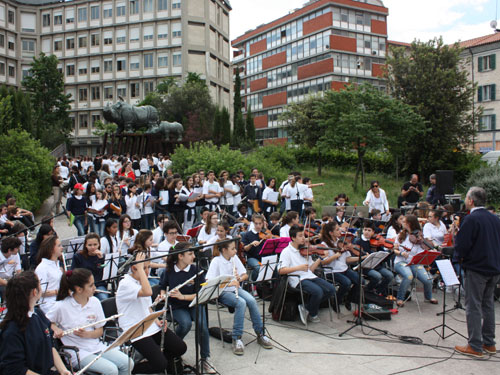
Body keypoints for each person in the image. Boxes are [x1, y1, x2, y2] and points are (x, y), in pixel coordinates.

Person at [48, 268, 131, 374]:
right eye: (91, 285)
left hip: (96, 346)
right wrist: (55, 328)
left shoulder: (95, 302)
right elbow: (46, 322)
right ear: (79, 289)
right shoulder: (61, 306)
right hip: (78, 352)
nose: (95, 288)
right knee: (111, 370)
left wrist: (87, 334)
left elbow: (100, 331)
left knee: (128, 363)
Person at [116, 251, 187, 374]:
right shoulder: (125, 283)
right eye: (144, 268)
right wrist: (140, 268)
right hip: (134, 328)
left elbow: (147, 307)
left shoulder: (141, 280)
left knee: (180, 347)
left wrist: (157, 320)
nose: (147, 271)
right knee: (160, 364)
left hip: (148, 323)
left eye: (148, 267)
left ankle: (166, 364)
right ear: (134, 268)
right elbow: (148, 292)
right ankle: (131, 370)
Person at [454, 187, 500, 358]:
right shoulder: (495, 218)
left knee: (473, 306)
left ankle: (474, 345)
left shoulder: (471, 219)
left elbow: (463, 245)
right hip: (493, 267)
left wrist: (459, 258)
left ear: (471, 200)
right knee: (488, 305)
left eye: (466, 197)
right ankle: (489, 343)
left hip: (477, 268)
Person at [206, 239, 272, 355]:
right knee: (241, 303)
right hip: (222, 292)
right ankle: (236, 337)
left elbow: (245, 274)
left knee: (251, 300)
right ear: (224, 250)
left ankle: (260, 333)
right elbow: (209, 281)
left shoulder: (234, 258)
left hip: (236, 289)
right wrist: (228, 283)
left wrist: (239, 279)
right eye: (233, 249)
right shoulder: (216, 261)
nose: (235, 251)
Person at [159, 242, 216, 373]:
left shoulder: (195, 269)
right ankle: (174, 347)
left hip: (194, 302)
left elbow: (201, 293)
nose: (193, 257)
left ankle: (205, 358)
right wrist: (163, 295)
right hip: (177, 306)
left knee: (202, 325)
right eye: (190, 254)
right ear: (180, 256)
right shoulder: (168, 271)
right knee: (185, 324)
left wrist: (182, 296)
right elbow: (163, 287)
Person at [0, 271, 72, 375]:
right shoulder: (12, 330)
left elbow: (50, 345)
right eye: (40, 283)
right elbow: (16, 369)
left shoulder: (38, 314)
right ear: (35, 292)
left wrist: (63, 370)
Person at [279, 225, 336, 325]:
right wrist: (298, 268)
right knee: (318, 291)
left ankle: (307, 307)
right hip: (297, 279)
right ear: (293, 237)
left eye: (304, 236)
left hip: (309, 276)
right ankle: (312, 313)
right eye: (300, 236)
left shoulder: (305, 249)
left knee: (331, 289)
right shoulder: (286, 252)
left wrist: (320, 258)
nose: (303, 238)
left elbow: (311, 269)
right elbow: (281, 270)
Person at [393, 215, 438, 307]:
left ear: (409, 224)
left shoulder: (419, 237)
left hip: (414, 262)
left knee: (428, 279)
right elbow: (395, 250)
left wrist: (430, 250)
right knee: (409, 276)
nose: (402, 223)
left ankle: (428, 297)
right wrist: (401, 253)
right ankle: (400, 298)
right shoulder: (401, 235)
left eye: (404, 222)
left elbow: (424, 250)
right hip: (400, 262)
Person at [320, 222, 359, 312]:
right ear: (331, 233)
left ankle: (348, 300)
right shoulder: (324, 245)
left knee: (359, 280)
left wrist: (361, 258)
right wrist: (336, 255)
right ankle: (336, 301)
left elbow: (347, 259)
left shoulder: (341, 242)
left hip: (344, 269)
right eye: (337, 230)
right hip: (332, 271)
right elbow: (323, 262)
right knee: (347, 282)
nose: (340, 231)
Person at [353, 222, 394, 297]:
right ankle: (367, 290)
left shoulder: (376, 241)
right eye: (365, 230)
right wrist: (366, 255)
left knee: (390, 275)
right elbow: (357, 255)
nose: (367, 232)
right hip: (365, 266)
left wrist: (390, 251)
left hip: (376, 265)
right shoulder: (358, 241)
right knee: (377, 276)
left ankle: (377, 291)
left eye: (369, 230)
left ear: (373, 232)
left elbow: (383, 256)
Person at [71, 233, 108, 300]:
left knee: (104, 299)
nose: (93, 247)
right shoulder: (78, 256)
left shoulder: (102, 257)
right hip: (84, 285)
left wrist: (100, 260)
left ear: (99, 244)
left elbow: (104, 274)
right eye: (90, 245)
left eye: (95, 244)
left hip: (98, 285)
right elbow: (73, 273)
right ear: (85, 245)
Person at [35, 235, 64, 314]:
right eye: (59, 246)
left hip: (60, 299)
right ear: (51, 249)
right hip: (49, 304)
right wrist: (59, 291)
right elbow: (40, 292)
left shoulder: (57, 264)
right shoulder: (42, 268)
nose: (62, 248)